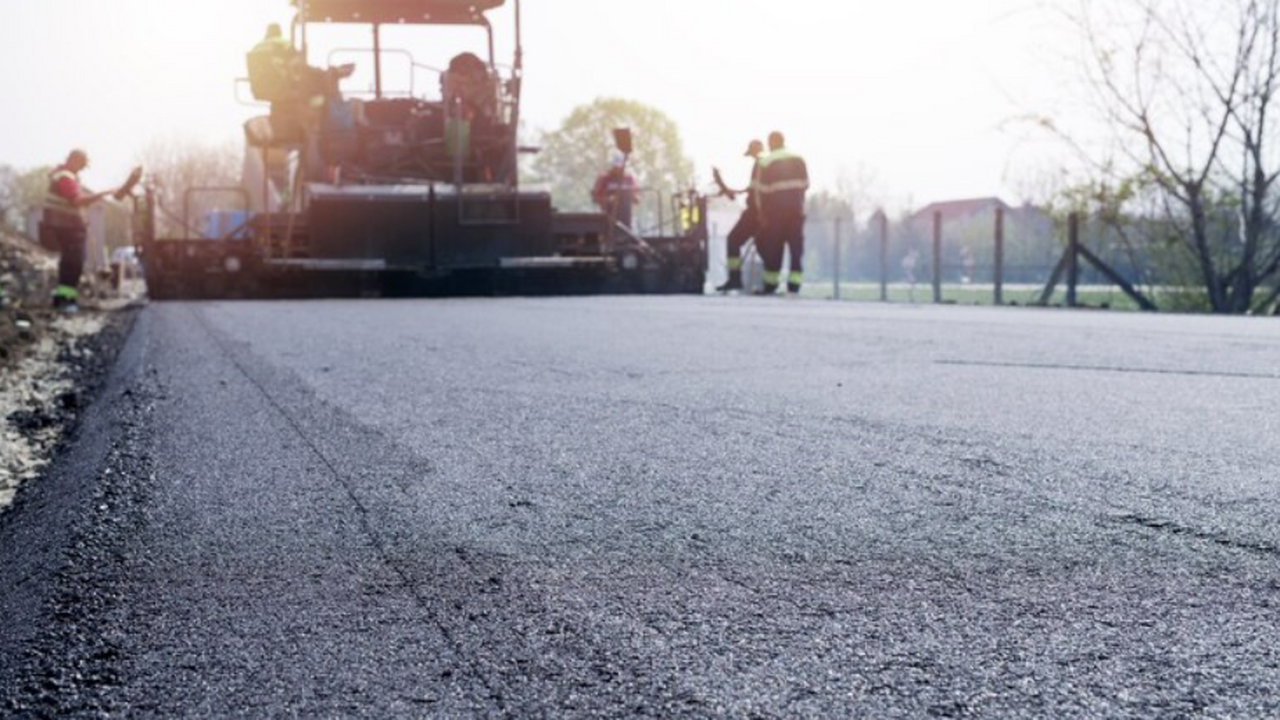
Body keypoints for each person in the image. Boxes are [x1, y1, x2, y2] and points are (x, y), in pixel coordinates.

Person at [44, 150, 116, 311]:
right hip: (66, 228)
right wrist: (102, 194)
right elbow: (77, 201)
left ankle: (62, 298)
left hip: (67, 227)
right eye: (81, 165)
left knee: (69, 263)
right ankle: (66, 300)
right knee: (73, 264)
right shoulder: (65, 177)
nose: (82, 169)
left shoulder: (64, 176)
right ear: (74, 160)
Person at [756, 131, 810, 295]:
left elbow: (761, 191)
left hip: (775, 213)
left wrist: (761, 213)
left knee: (774, 248)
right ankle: (794, 285)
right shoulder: (798, 158)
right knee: (796, 248)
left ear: (771, 142)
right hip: (796, 211)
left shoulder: (766, 161)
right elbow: (806, 184)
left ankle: (771, 284)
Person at [716, 139, 765, 293]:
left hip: (755, 213)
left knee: (733, 240)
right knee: (764, 246)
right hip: (762, 212)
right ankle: (767, 283)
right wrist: (734, 191)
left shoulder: (761, 164)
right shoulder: (764, 164)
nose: (751, 156)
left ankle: (735, 279)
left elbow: (757, 191)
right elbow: (752, 189)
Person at [592, 153, 640, 230]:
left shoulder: (629, 178)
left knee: (627, 232)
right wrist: (608, 200)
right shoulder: (604, 178)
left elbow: (636, 196)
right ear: (612, 166)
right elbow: (595, 197)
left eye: (620, 167)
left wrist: (633, 197)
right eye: (616, 167)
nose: (618, 169)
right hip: (607, 217)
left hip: (626, 218)